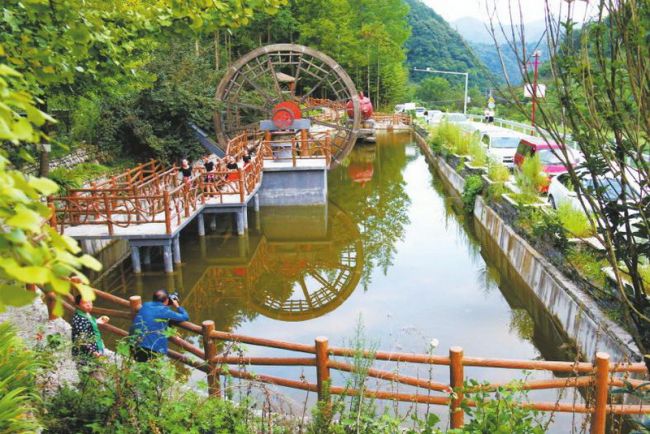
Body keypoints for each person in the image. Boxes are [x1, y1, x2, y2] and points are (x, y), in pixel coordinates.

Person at [129, 289, 189, 362]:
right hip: (148, 350)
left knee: (141, 366)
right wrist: (177, 306)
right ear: (167, 300)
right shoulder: (164, 311)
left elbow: (154, 313)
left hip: (133, 344)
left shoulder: (146, 305)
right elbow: (185, 317)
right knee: (151, 368)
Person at [71, 295, 109, 366]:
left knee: (97, 367)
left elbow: (88, 323)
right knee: (92, 369)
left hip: (94, 346)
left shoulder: (85, 314)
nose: (89, 305)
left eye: (90, 302)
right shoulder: (79, 319)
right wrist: (92, 351)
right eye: (85, 303)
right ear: (77, 305)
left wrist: (98, 321)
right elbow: (81, 338)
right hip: (87, 351)